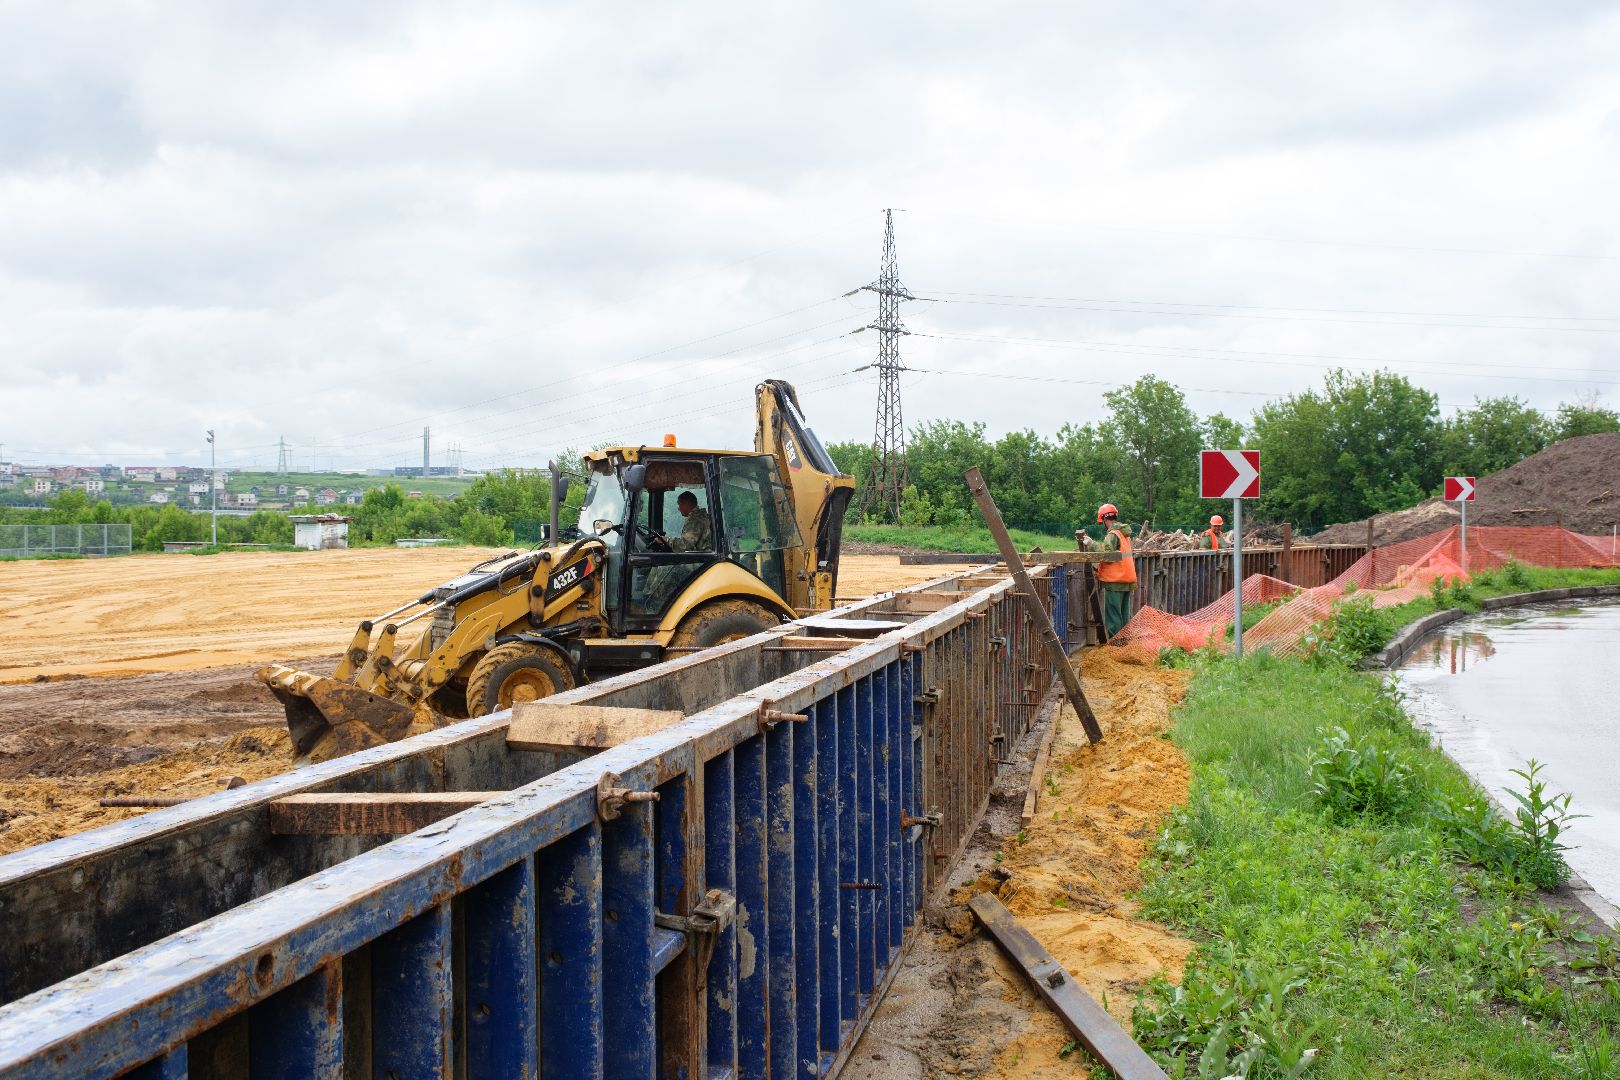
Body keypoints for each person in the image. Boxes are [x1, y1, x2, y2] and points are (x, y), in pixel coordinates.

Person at [1095, 503, 1137, 640]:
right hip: (1127, 579)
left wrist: (1091, 544)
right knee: (1123, 614)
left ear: (1105, 519)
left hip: (1115, 580)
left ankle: (1116, 645)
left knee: (1113, 616)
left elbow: (1107, 556)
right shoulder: (1124, 534)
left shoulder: (1112, 534)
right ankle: (1125, 643)